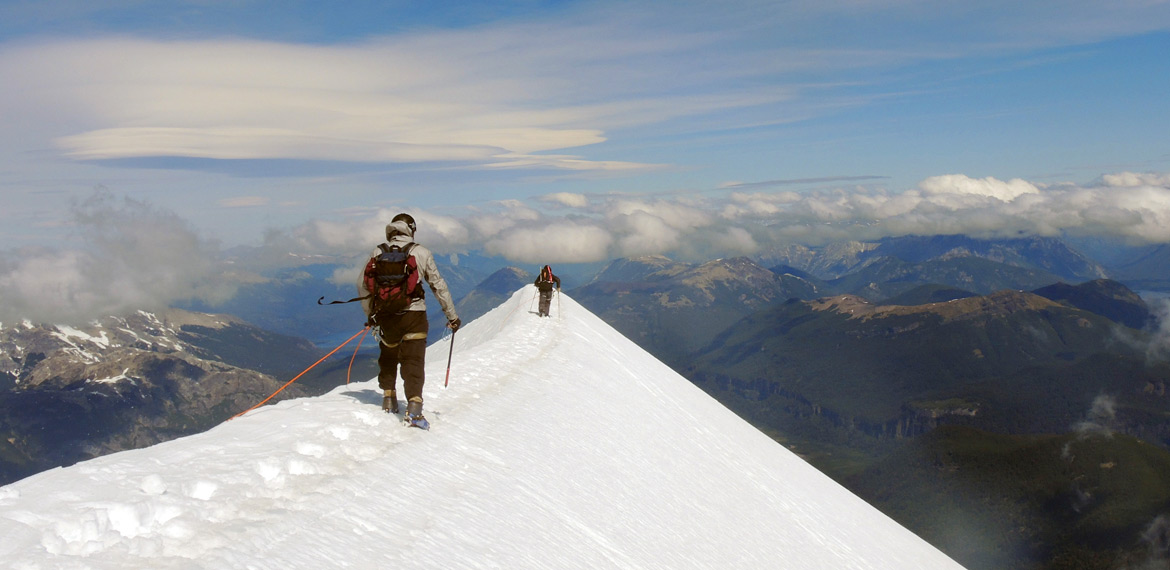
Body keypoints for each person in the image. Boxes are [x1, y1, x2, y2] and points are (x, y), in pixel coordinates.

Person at [357, 213, 460, 428]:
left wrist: (371, 316)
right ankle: (414, 410)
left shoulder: (378, 252)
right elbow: (438, 285)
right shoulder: (421, 252)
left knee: (388, 354)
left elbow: (363, 285)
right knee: (413, 360)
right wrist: (452, 317)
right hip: (414, 315)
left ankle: (388, 399)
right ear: (411, 229)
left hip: (387, 316)